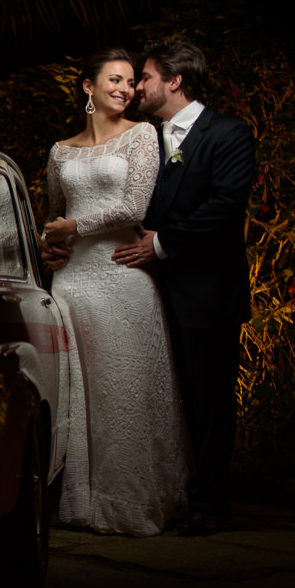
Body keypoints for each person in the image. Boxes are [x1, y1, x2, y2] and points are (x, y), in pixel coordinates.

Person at [43, 47, 190, 537]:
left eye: (131, 82)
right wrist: (50, 248)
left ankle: (130, 501)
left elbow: (134, 206)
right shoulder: (60, 151)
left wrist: (74, 226)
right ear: (89, 86)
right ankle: (76, 501)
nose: (126, 89)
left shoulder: (142, 135)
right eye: (115, 80)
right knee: (74, 392)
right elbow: (52, 215)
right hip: (71, 282)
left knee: (123, 390)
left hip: (121, 275)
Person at [111, 39, 256, 536]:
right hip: (146, 293)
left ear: (174, 80)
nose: (137, 87)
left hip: (206, 294)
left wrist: (162, 244)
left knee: (208, 400)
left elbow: (225, 205)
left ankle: (212, 503)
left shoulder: (229, 133)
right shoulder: (145, 139)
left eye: (144, 77)